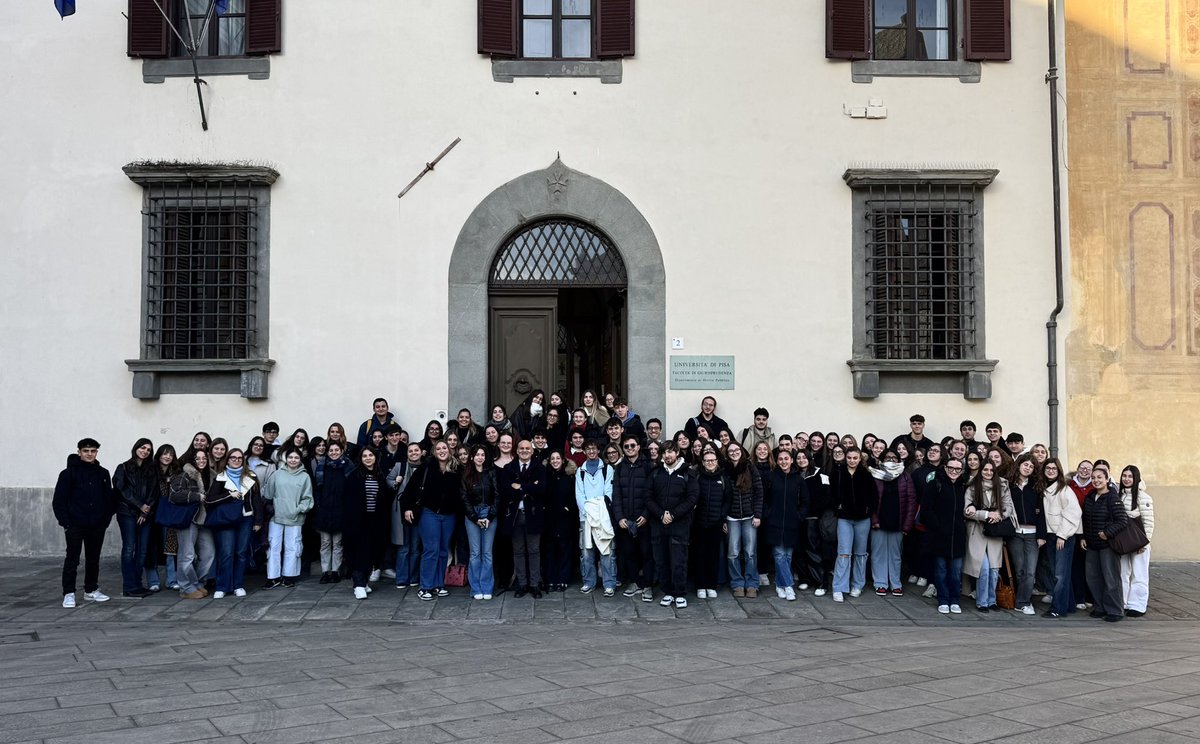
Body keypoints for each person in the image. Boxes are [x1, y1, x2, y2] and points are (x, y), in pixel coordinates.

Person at [54, 437, 114, 608]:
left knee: (93, 558)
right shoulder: (68, 474)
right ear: (79, 452)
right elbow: (59, 500)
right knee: (72, 559)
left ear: (96, 453)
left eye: (93, 451)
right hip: (75, 524)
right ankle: (69, 593)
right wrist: (66, 523)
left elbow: (108, 499)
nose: (89, 454)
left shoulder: (103, 473)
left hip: (97, 524)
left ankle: (91, 590)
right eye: (86, 451)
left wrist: (105, 519)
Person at [404, 441, 461, 601]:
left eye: (445, 448)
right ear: (434, 452)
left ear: (449, 450)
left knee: (443, 550)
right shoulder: (427, 467)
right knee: (431, 549)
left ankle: (438, 584)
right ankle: (425, 586)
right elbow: (410, 489)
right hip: (429, 513)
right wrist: (407, 508)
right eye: (439, 449)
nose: (442, 451)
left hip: (449, 515)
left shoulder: (456, 469)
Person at [648, 442, 697, 608]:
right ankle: (667, 592)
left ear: (677, 453)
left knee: (679, 560)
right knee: (661, 559)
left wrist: (673, 514)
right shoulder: (655, 473)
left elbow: (692, 498)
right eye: (664, 453)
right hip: (658, 523)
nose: (667, 456)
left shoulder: (688, 473)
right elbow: (648, 497)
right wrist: (661, 514)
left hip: (680, 524)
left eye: (670, 452)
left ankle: (679, 593)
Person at [343, 447, 394, 599]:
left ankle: (364, 582)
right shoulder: (354, 476)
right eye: (364, 456)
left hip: (375, 521)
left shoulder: (379, 476)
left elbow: (384, 500)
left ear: (375, 457)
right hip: (358, 522)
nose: (367, 458)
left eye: (370, 455)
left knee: (372, 552)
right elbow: (348, 501)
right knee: (359, 553)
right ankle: (358, 584)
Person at [498, 440, 547, 598]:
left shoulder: (540, 468)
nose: (525, 451)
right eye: (521, 448)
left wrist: (521, 487)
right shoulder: (508, 468)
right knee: (518, 551)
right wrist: (531, 486)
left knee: (534, 551)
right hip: (514, 516)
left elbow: (542, 490)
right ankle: (522, 584)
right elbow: (505, 491)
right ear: (517, 451)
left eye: (527, 448)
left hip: (533, 515)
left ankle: (534, 584)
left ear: (532, 451)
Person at [964, 460, 1013, 612]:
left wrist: (999, 514)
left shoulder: (1002, 485)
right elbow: (966, 510)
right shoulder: (972, 486)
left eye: (991, 470)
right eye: (985, 470)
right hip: (976, 532)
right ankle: (982, 601)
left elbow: (1008, 506)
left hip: (995, 531)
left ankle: (992, 601)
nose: (988, 473)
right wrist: (986, 514)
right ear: (981, 470)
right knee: (983, 568)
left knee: (994, 569)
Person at [1082, 464, 1128, 622]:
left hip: (1107, 545)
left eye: (1099, 477)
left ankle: (1115, 610)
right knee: (1093, 578)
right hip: (1091, 544)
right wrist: (1083, 537)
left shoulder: (1112, 497)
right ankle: (1100, 607)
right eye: (1093, 478)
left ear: (1107, 479)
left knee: (1110, 578)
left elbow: (1123, 520)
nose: (1096, 480)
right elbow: (1084, 519)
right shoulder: (1089, 497)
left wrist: (1107, 533)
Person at [262, 449, 313, 589]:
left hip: (295, 517)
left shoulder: (304, 477)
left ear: (300, 460)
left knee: (292, 547)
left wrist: (297, 509)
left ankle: (289, 576)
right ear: (286, 459)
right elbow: (268, 494)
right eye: (290, 457)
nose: (293, 460)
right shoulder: (277, 474)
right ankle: (273, 577)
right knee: (274, 547)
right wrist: (274, 508)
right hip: (276, 517)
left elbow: (308, 498)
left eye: (296, 457)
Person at [112, 438, 157, 598]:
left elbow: (154, 492)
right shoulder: (123, 467)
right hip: (127, 514)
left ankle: (138, 584)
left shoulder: (151, 470)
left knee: (142, 551)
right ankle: (129, 586)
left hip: (146, 515)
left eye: (148, 449)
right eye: (142, 447)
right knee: (129, 549)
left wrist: (145, 511)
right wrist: (139, 506)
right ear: (136, 448)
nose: (145, 451)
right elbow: (121, 489)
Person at [612, 434, 655, 601]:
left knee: (646, 553)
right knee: (629, 553)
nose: (630, 449)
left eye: (632, 445)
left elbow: (652, 493)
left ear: (638, 447)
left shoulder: (648, 466)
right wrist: (619, 517)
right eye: (626, 446)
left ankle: (648, 585)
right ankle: (635, 582)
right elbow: (616, 495)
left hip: (643, 518)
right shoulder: (619, 468)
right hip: (626, 519)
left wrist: (646, 514)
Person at [924, 457, 969, 614]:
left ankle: (955, 600)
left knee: (956, 572)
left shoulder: (964, 487)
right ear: (945, 467)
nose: (954, 472)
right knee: (940, 570)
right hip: (939, 535)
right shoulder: (934, 484)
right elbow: (926, 509)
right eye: (951, 468)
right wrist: (936, 526)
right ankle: (943, 599)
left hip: (958, 536)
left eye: (958, 469)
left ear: (962, 470)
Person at [830, 448, 875, 602]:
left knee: (861, 553)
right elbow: (832, 493)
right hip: (844, 518)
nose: (852, 460)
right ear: (845, 458)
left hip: (863, 519)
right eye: (849, 457)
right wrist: (838, 507)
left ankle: (857, 585)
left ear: (859, 458)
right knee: (843, 553)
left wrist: (868, 509)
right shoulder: (838, 472)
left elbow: (874, 495)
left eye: (855, 458)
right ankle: (838, 587)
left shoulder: (866, 474)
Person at [869, 450, 917, 597]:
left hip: (898, 522)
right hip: (879, 522)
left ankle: (896, 584)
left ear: (898, 460)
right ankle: (881, 584)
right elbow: (869, 501)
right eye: (887, 457)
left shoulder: (905, 476)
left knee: (896, 555)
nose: (891, 459)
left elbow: (911, 501)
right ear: (881, 460)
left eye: (894, 457)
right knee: (878, 554)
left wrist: (907, 525)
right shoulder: (875, 475)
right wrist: (874, 520)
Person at [1006, 453, 1047, 615]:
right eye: (1025, 465)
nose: (1028, 468)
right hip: (1014, 533)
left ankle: (1024, 602)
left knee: (1030, 571)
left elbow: (1042, 512)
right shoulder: (1008, 486)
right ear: (1019, 465)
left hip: (1032, 534)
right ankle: (1020, 601)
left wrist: (1042, 535)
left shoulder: (1036, 486)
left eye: (1031, 466)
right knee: (1020, 570)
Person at [764, 448, 808, 600]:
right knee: (779, 554)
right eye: (780, 459)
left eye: (786, 458)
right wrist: (767, 514)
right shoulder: (770, 477)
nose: (783, 461)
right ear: (777, 461)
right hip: (774, 522)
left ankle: (779, 583)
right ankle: (788, 586)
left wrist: (799, 516)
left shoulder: (798, 479)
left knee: (788, 556)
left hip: (792, 523)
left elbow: (804, 501)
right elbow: (764, 498)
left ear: (791, 460)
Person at [169, 450, 214, 600]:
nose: (202, 461)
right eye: (198, 458)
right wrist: (197, 496)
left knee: (208, 553)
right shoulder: (184, 475)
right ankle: (186, 587)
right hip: (189, 520)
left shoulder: (210, 475)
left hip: (204, 520)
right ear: (192, 460)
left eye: (204, 458)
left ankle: (198, 584)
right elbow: (174, 495)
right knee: (187, 555)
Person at [1040, 458, 1081, 618]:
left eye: (1054, 468)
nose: (1050, 471)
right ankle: (1069, 605)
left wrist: (1062, 535)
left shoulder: (1064, 490)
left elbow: (1073, 513)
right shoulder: (1044, 488)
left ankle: (1057, 609)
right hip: (1050, 536)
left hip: (1062, 537)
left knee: (1060, 575)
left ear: (1059, 471)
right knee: (1058, 572)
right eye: (1048, 468)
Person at [576, 440, 617, 596]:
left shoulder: (607, 469)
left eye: (594, 448)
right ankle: (589, 582)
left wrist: (596, 510)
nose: (591, 451)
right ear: (584, 451)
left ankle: (609, 584)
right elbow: (579, 495)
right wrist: (589, 511)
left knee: (606, 550)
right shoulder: (580, 471)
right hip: (585, 517)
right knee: (587, 551)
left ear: (599, 450)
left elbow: (608, 494)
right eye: (588, 449)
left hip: (603, 516)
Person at [723, 442, 762, 598]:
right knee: (733, 552)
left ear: (741, 451)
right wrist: (723, 519)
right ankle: (737, 583)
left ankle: (752, 583)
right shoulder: (724, 470)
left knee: (750, 552)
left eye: (736, 450)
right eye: (730, 451)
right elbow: (722, 496)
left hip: (749, 516)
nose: (733, 453)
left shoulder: (750, 468)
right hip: (731, 517)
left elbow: (759, 492)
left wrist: (758, 515)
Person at [691, 445, 730, 599]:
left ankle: (711, 585)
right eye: (707, 461)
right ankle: (701, 585)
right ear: (703, 462)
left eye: (713, 460)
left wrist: (722, 516)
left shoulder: (723, 478)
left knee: (714, 555)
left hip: (716, 523)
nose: (710, 463)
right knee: (699, 555)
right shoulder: (697, 477)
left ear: (717, 461)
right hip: (699, 523)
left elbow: (727, 500)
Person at [460, 444, 498, 600]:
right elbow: (464, 498)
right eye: (477, 455)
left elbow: (497, 495)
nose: (480, 457)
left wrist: (489, 516)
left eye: (483, 455)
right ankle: (476, 588)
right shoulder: (466, 474)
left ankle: (487, 586)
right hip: (472, 515)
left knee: (487, 553)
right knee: (475, 553)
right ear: (472, 457)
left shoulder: (491, 473)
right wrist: (475, 518)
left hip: (489, 513)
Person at [1118, 465, 1154, 617]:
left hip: (1139, 542)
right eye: (1124, 476)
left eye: (1130, 476)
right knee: (1123, 572)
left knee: (1139, 573)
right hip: (1123, 542)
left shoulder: (1143, 497)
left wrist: (1144, 543)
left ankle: (1138, 605)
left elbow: (1149, 522)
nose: (1126, 479)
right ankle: (1124, 602)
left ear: (1136, 478)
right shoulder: (1118, 495)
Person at [388, 442, 425, 588]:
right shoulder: (400, 466)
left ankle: (414, 577)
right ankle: (402, 579)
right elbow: (388, 481)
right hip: (401, 511)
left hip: (418, 511)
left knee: (416, 546)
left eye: (416, 450)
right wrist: (395, 482)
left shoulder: (425, 468)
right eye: (411, 451)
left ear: (421, 452)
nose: (414, 453)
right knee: (404, 547)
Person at [314, 440, 351, 584]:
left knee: (337, 543)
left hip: (340, 510)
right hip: (324, 510)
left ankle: (335, 571)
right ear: (327, 452)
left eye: (337, 450)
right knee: (325, 543)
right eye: (331, 450)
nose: (334, 453)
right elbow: (317, 489)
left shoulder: (348, 467)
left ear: (341, 451)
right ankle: (325, 571)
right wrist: (318, 505)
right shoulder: (322, 467)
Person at [541, 451, 578, 592]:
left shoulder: (569, 477)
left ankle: (563, 579)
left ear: (563, 460)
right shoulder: (545, 476)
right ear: (549, 461)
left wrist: (568, 508)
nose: (555, 461)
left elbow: (574, 495)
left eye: (558, 458)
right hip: (549, 518)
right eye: (552, 458)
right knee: (550, 550)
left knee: (564, 549)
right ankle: (551, 579)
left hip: (565, 518)